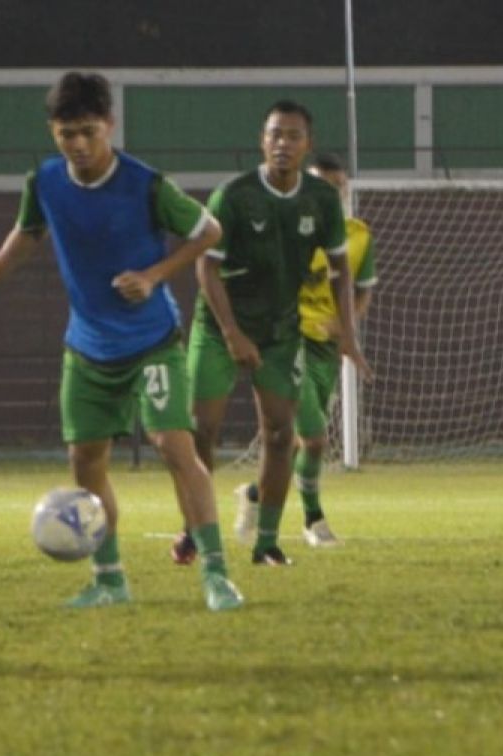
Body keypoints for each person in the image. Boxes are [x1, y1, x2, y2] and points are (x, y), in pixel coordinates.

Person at [0, 71, 243, 612]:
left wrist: (153, 275)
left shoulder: (145, 183)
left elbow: (210, 231)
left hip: (153, 341)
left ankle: (217, 576)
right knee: (85, 460)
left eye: (87, 131)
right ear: (52, 133)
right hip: (86, 347)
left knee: (175, 447)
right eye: (66, 134)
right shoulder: (46, 182)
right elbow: (28, 232)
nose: (78, 145)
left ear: (110, 124)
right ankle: (110, 580)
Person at [170, 101, 372, 569]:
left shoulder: (321, 201)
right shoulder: (234, 196)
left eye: (293, 136)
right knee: (202, 432)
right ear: (262, 141)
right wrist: (231, 332)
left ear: (308, 144)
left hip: (281, 331)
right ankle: (194, 530)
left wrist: (346, 332)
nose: (283, 144)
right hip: (218, 328)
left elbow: (343, 269)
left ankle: (267, 544)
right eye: (275, 135)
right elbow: (207, 266)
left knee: (281, 434)